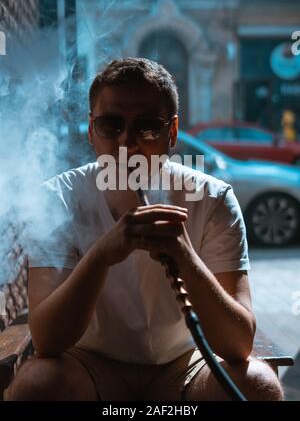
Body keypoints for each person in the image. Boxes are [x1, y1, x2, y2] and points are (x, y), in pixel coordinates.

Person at [5, 58, 283, 401]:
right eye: (111, 125)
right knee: (37, 384)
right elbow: (48, 339)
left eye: (148, 127)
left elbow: (238, 343)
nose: (128, 143)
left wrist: (184, 255)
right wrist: (101, 257)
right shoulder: (59, 198)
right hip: (89, 362)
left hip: (185, 362)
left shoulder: (212, 199)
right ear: (91, 130)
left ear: (173, 132)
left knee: (257, 384)